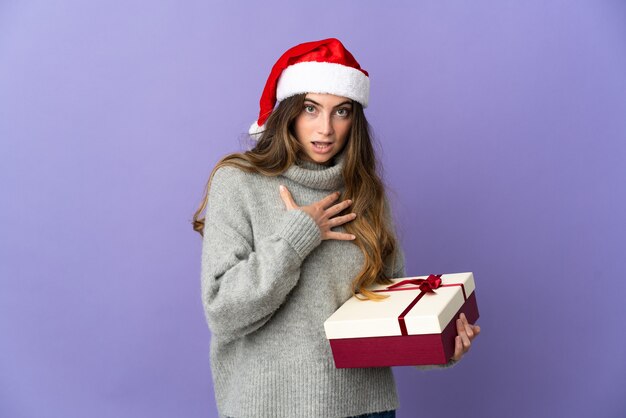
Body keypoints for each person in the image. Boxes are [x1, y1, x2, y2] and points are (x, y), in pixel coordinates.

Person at [192, 38, 480, 418]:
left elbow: (388, 315)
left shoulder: (366, 193)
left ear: (354, 119)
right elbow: (224, 312)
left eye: (340, 111)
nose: (325, 128)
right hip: (271, 409)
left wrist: (442, 346)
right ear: (290, 111)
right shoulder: (239, 182)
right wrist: (299, 235)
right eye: (311, 109)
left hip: (367, 410)